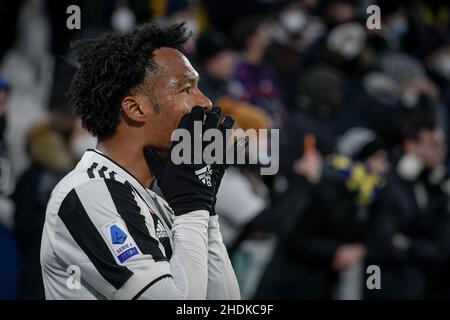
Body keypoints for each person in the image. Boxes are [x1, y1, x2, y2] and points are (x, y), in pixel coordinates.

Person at [40, 23, 240, 300]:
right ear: (135, 108)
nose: (205, 102)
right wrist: (193, 206)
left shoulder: (159, 200)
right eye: (186, 89)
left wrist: (205, 206)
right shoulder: (90, 191)